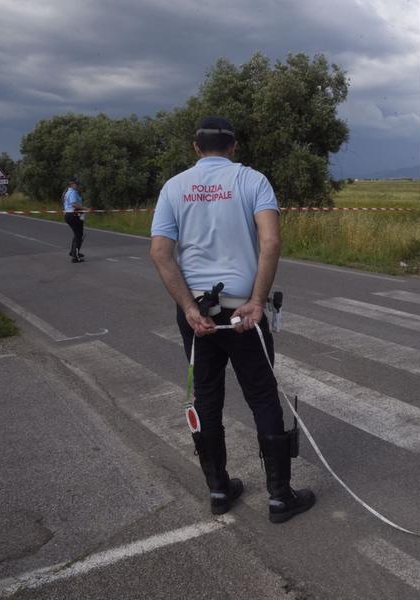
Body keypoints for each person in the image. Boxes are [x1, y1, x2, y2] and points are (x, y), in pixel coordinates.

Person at [149, 116, 315, 522]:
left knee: (206, 397)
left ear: (195, 148)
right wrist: (258, 301)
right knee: (261, 396)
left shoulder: (174, 187)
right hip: (245, 310)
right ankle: (279, 497)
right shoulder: (253, 181)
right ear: (234, 146)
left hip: (198, 313)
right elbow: (271, 241)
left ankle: (219, 490)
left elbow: (160, 253)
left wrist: (189, 308)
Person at [63, 177, 85, 263]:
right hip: (73, 214)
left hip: (70, 214)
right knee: (79, 235)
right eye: (77, 184)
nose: (78, 185)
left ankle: (74, 252)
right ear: (72, 184)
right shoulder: (72, 192)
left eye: (78, 184)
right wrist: (86, 208)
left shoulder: (68, 192)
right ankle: (75, 257)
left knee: (77, 234)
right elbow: (74, 204)